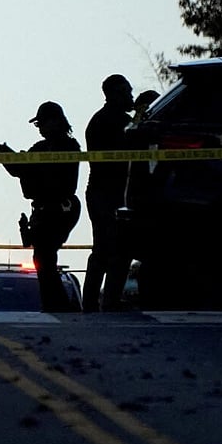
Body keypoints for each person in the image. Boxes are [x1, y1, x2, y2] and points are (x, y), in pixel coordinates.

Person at [0, 101, 81, 313]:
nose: (40, 129)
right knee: (42, 258)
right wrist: (7, 155)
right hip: (45, 208)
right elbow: (20, 169)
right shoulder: (41, 148)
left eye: (42, 123)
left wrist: (22, 163)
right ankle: (55, 304)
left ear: (55, 121)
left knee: (45, 256)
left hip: (61, 208)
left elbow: (36, 171)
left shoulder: (68, 146)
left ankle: (58, 304)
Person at [83, 74, 135, 312]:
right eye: (126, 92)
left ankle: (103, 300)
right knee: (107, 248)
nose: (130, 97)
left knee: (115, 249)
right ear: (113, 94)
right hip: (104, 192)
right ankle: (100, 301)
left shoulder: (119, 120)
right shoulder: (106, 122)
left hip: (115, 193)